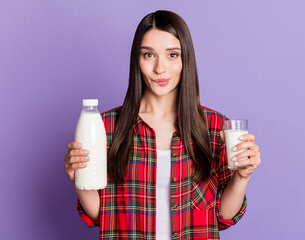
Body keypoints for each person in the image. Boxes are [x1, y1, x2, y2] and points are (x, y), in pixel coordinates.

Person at [64, 10, 261, 239]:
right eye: (149, 55)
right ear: (137, 60)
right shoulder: (106, 126)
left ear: (185, 59)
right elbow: (102, 215)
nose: (160, 68)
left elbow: (223, 215)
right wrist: (78, 179)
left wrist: (242, 176)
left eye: (172, 55)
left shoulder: (214, 126)